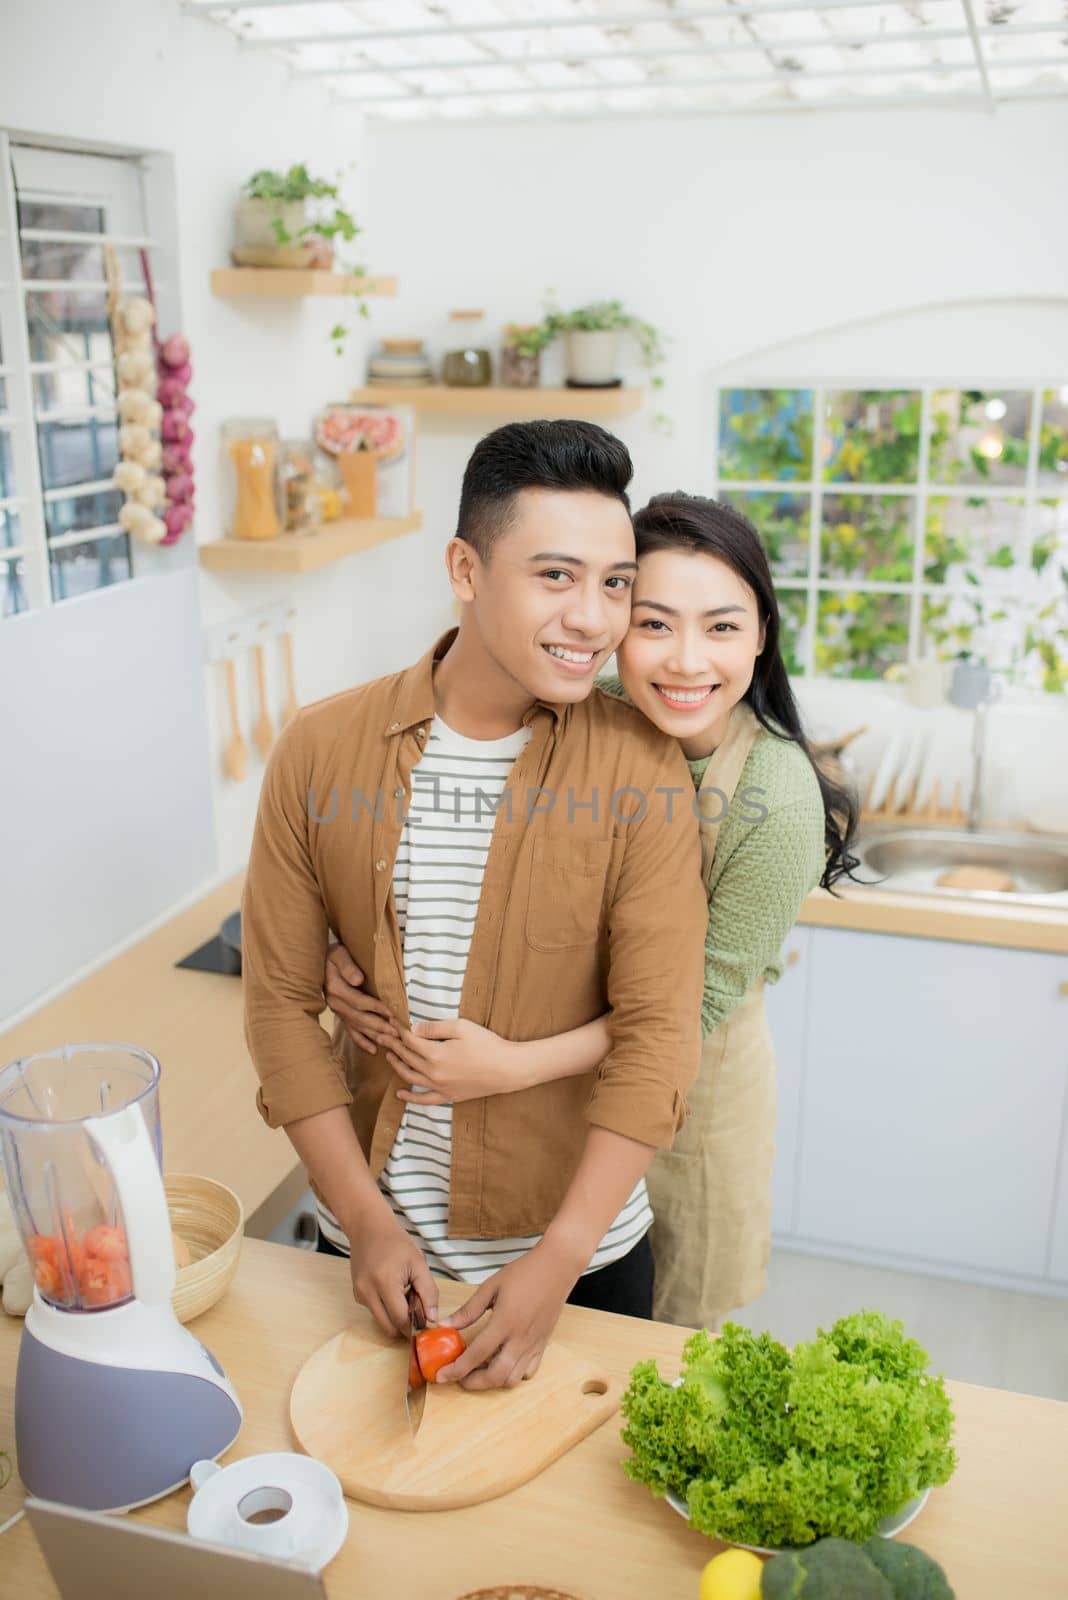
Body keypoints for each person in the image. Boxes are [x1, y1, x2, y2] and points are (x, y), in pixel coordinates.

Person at [242, 421, 707, 1393]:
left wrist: (559, 1260)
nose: (593, 618)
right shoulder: (321, 749)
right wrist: (366, 1221)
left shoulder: (643, 768)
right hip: (366, 1254)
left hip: (580, 1262)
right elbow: (280, 1003)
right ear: (466, 566)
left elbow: (660, 1034)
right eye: (555, 576)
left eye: (616, 583)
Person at [326, 492, 858, 1332]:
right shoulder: (582, 705)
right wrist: (344, 949)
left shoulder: (776, 796)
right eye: (653, 623)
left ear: (762, 634)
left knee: (657, 1342)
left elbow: (689, 1010)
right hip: (561, 1108)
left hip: (695, 1107)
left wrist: (511, 1066)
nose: (687, 662)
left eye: (721, 627)